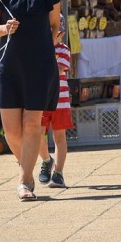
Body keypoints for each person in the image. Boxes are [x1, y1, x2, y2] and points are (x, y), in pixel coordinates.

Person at [0, 0, 61, 201]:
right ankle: (29, 169)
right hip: (9, 66)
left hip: (40, 66)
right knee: (12, 131)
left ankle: (24, 182)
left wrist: (55, 36)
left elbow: (54, 25)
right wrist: (4, 29)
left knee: (32, 125)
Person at [37, 20, 72, 189]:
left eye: (54, 33)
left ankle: (59, 173)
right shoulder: (37, 49)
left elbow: (57, 70)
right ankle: (46, 160)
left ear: (61, 34)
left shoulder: (63, 50)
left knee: (59, 137)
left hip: (60, 101)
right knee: (37, 135)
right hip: (40, 101)